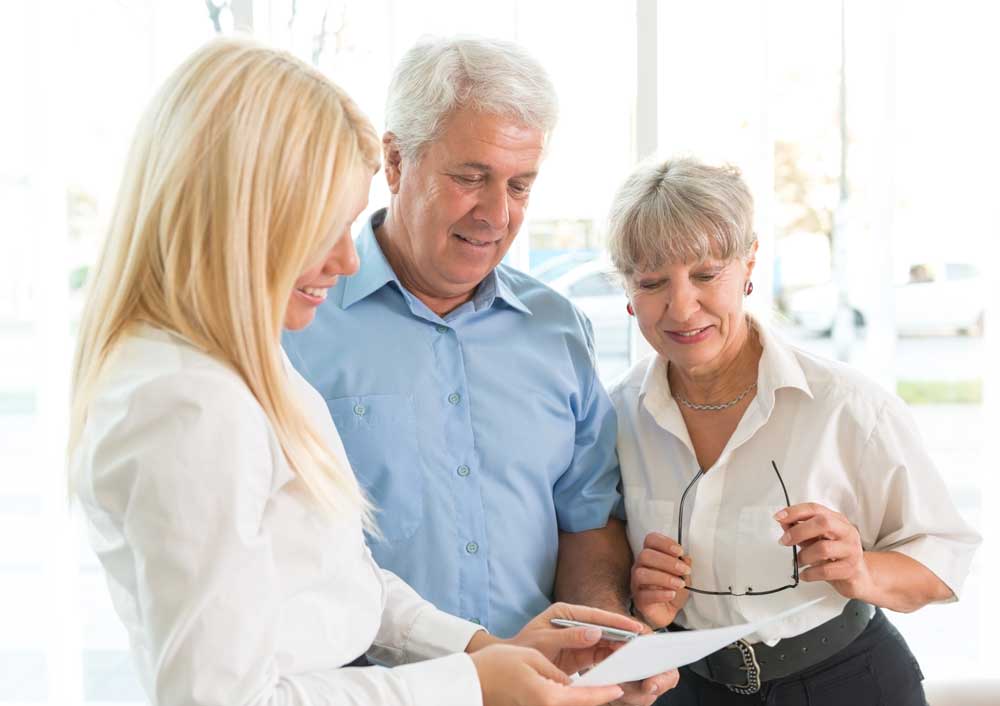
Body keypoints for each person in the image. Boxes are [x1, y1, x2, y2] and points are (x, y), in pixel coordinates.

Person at [67, 37, 659, 706]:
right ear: (246, 215)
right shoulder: (187, 403)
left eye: (519, 184)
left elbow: (344, 578)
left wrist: (484, 651)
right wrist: (468, 683)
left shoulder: (248, 368)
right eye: (326, 225)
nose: (347, 261)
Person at [284, 34, 676, 704]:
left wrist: (600, 640)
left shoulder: (557, 329)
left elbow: (586, 520)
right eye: (472, 177)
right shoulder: (296, 321)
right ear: (398, 160)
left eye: (519, 185)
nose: (497, 214)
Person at [605, 157, 981, 704]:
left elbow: (944, 561)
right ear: (628, 291)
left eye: (706, 275)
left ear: (750, 262)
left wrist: (861, 571)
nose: (682, 307)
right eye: (652, 282)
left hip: (849, 683)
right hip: (681, 688)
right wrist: (639, 600)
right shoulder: (615, 417)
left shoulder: (847, 407)